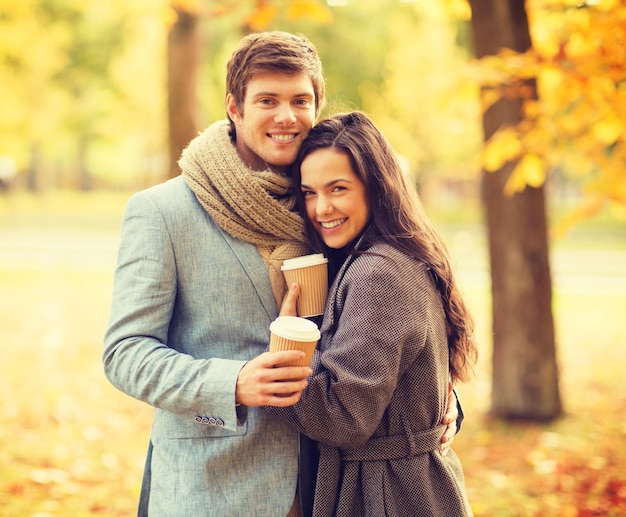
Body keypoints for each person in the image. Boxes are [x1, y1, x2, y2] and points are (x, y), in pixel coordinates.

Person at [103, 32, 460, 517]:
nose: (286, 116)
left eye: (300, 100)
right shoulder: (163, 212)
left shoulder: (328, 202)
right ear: (235, 107)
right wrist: (232, 383)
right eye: (267, 100)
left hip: (327, 486)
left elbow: (382, 328)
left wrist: (434, 403)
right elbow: (125, 353)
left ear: (317, 105)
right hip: (213, 487)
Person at [268, 111, 478, 516]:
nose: (321, 208)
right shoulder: (395, 253)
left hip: (389, 495)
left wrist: (284, 351)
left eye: (338, 189)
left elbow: (343, 418)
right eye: (309, 193)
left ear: (376, 187)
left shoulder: (378, 272)